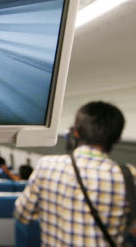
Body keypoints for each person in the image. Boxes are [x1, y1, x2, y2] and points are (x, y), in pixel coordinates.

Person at [15, 101, 136, 246]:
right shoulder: (128, 176)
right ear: (117, 138)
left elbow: (23, 215)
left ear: (76, 132)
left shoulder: (46, 165)